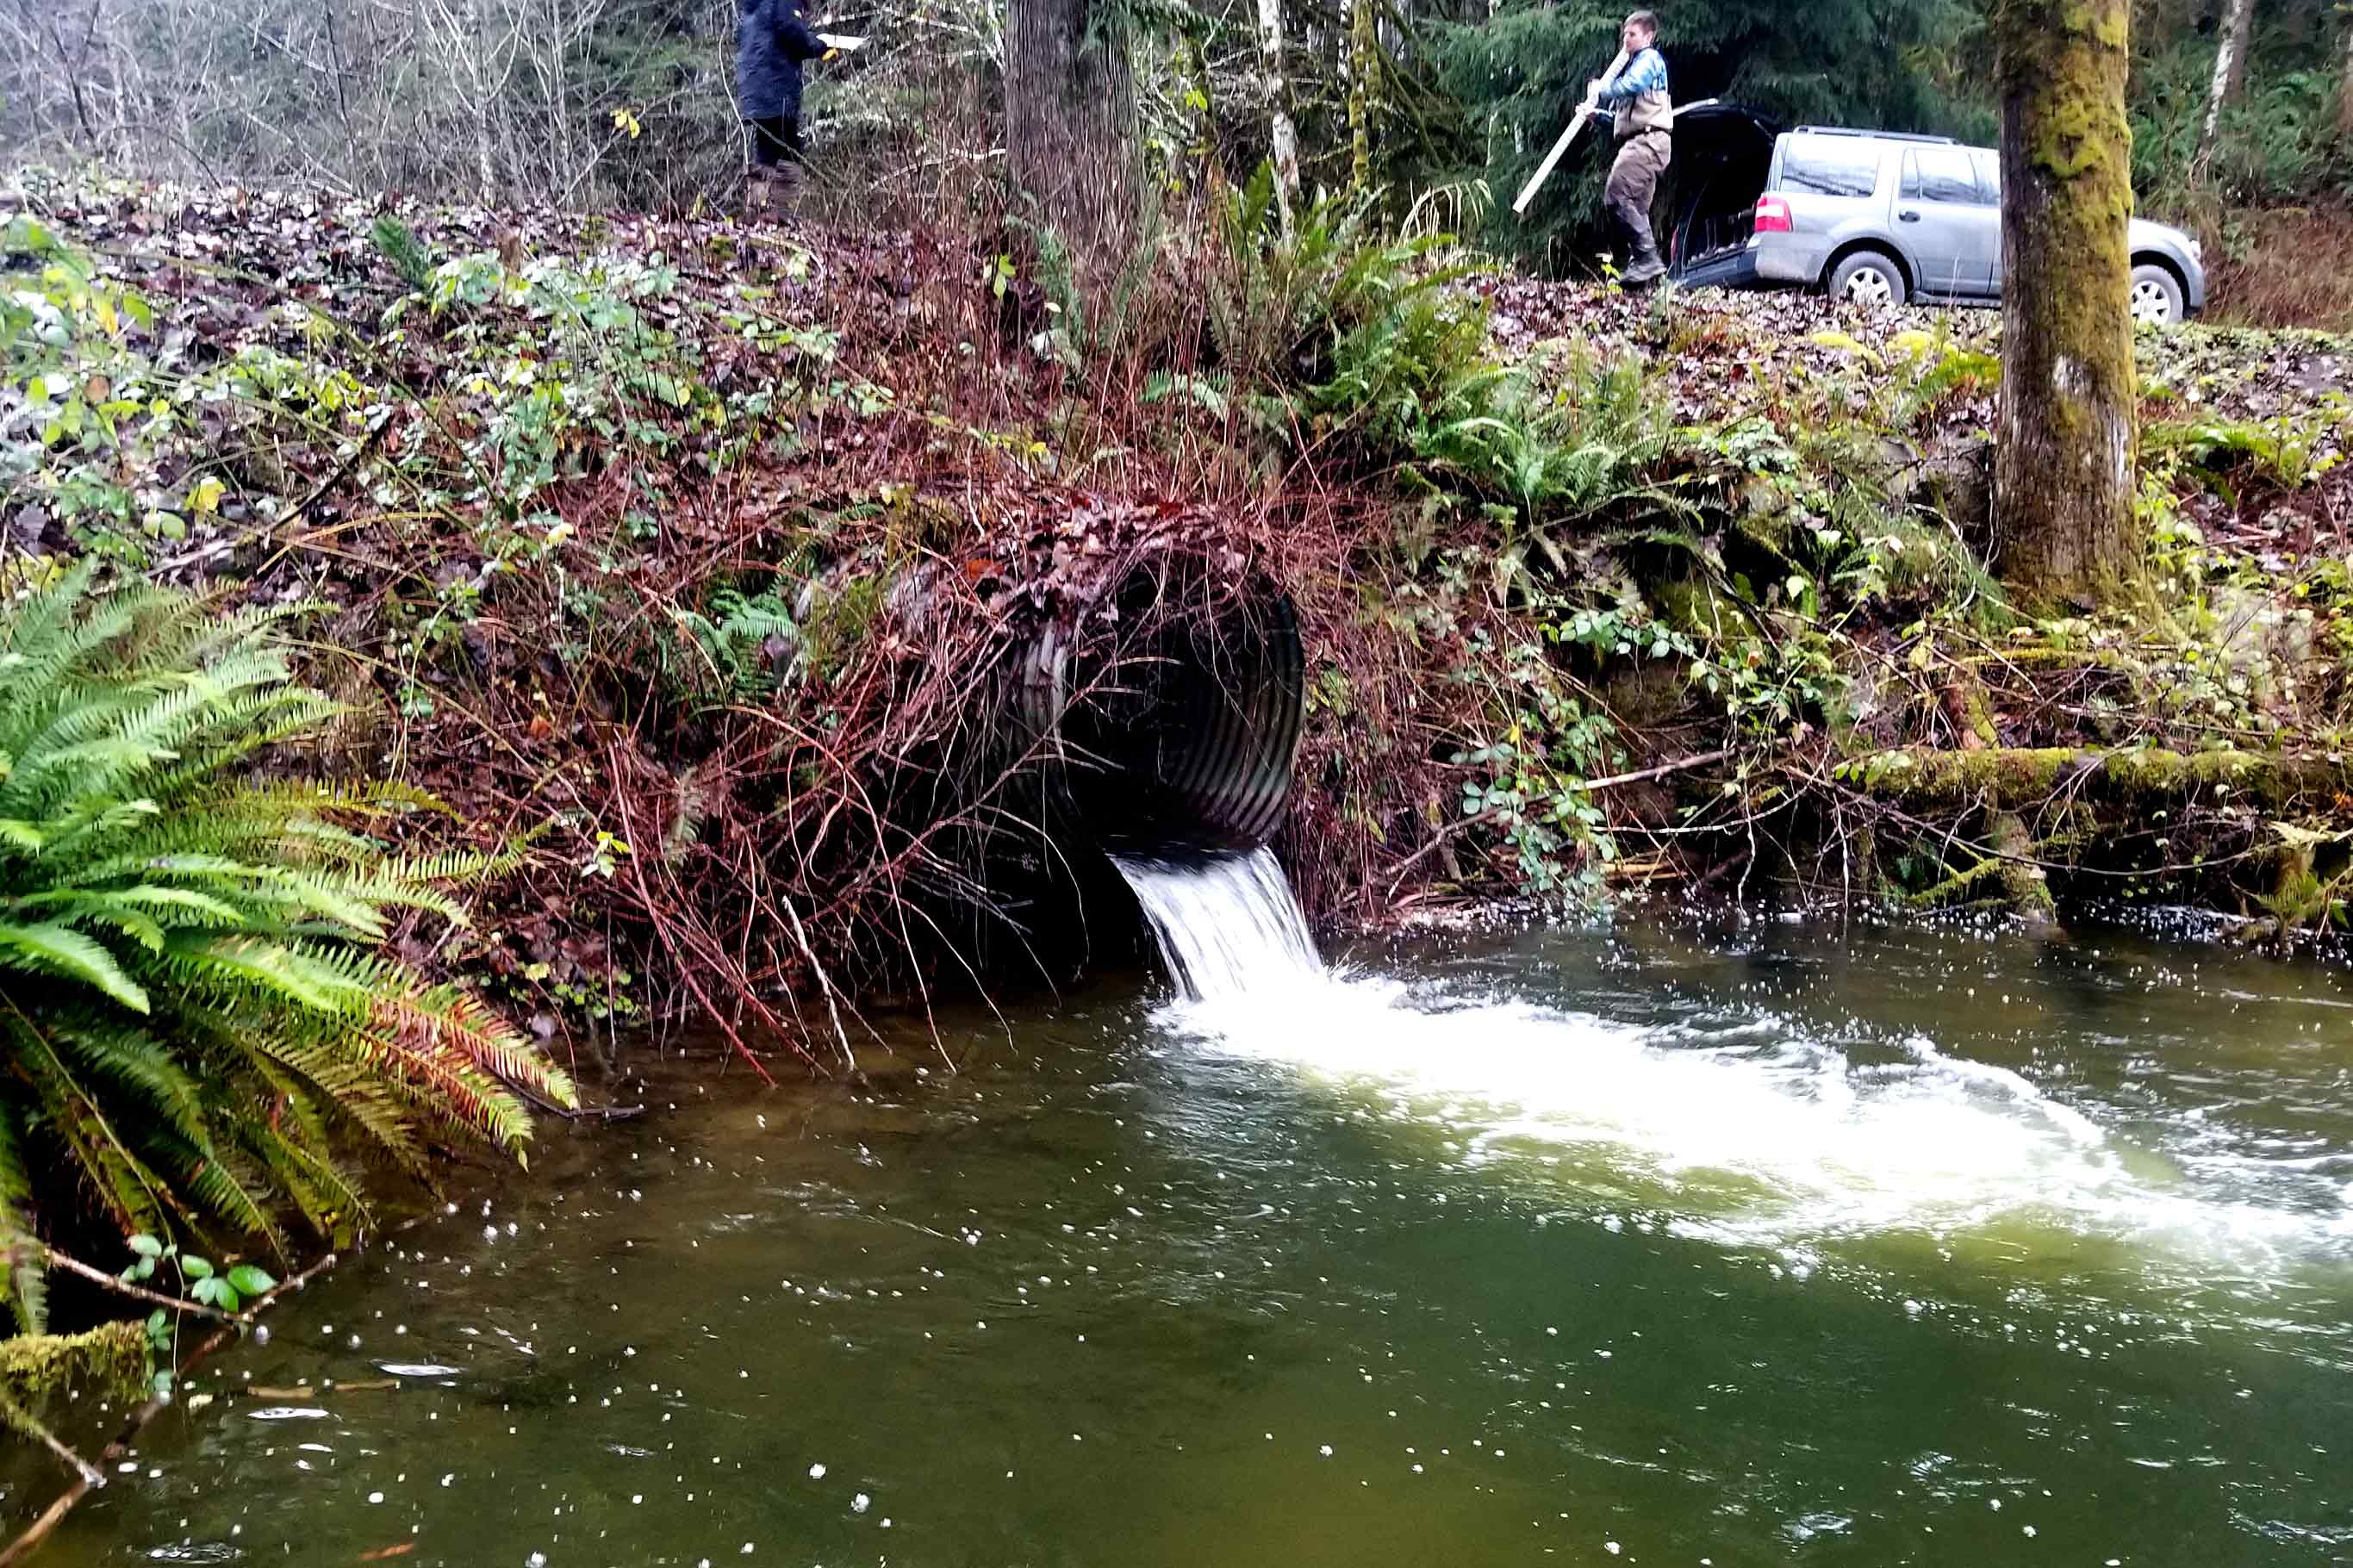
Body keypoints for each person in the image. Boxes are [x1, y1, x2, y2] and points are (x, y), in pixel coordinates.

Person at [1591, 10, 1672, 286]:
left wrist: (1602, 88)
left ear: (1648, 36)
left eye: (1632, 34)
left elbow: (1632, 85)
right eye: (1624, 34)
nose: (1626, 39)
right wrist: (1596, 116)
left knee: (1616, 196)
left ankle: (1648, 261)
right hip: (1640, 141)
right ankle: (1651, 281)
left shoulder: (1648, 60)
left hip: (1648, 142)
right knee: (1636, 209)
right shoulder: (1633, 69)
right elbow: (1622, 122)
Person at [738, 0, 823, 207]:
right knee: (789, 154)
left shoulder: (756, 6)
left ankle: (758, 213)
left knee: (767, 152)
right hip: (776, 90)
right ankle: (780, 217)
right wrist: (820, 45)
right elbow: (791, 30)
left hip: (755, 90)